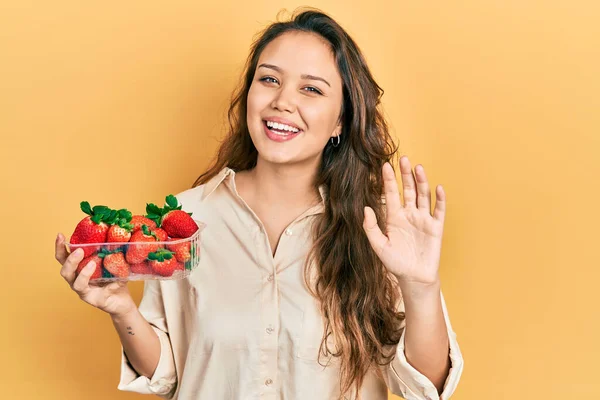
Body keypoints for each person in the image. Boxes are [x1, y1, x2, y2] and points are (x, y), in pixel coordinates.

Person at [55, 8, 463, 400]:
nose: (282, 101)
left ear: (341, 120)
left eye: (311, 88)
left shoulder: (379, 232)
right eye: (269, 80)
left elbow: (424, 386)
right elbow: (171, 374)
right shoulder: (186, 220)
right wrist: (120, 308)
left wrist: (420, 287)